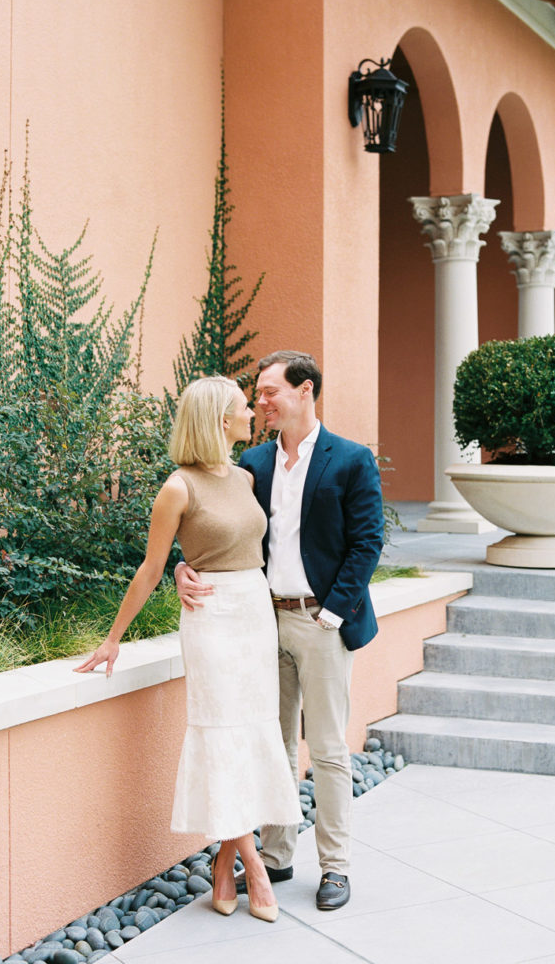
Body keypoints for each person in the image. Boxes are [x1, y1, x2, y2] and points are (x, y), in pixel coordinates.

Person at [75, 375, 301, 923]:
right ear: (221, 419)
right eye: (244, 407)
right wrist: (112, 638)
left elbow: (248, 545)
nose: (252, 412)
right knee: (221, 734)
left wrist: (188, 565)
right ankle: (253, 863)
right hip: (212, 619)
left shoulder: (246, 477)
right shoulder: (177, 487)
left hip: (254, 614)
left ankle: (224, 862)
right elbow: (150, 567)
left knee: (250, 733)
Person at [176, 351, 384, 911]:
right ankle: (275, 856)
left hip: (322, 621)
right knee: (273, 742)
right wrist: (182, 566)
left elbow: (368, 542)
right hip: (259, 621)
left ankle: (335, 867)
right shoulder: (253, 462)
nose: (260, 401)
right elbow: (216, 526)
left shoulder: (351, 459)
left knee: (328, 748)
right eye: (257, 394)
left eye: (270, 391)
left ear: (305, 390)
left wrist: (332, 614)